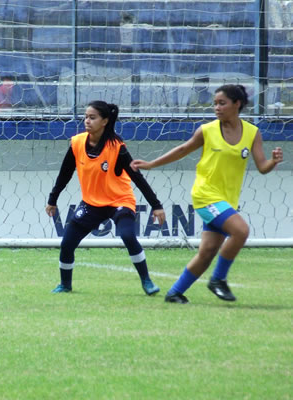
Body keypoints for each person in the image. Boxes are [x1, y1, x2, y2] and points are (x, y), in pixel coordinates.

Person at [131, 84, 284, 304]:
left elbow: (262, 166)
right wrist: (152, 164)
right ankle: (218, 280)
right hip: (205, 196)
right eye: (214, 103)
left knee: (208, 252)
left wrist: (273, 161)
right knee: (241, 231)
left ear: (237, 104)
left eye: (222, 103)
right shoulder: (207, 130)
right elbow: (183, 149)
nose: (217, 108)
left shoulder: (252, 132)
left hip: (226, 201)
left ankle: (174, 293)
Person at [46, 101, 166, 295]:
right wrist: (53, 199)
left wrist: (156, 206)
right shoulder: (77, 143)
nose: (87, 121)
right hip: (91, 204)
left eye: (92, 117)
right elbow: (65, 173)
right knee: (67, 243)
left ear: (105, 121)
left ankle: (147, 281)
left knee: (127, 235)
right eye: (86, 117)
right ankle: (65, 285)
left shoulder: (117, 147)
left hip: (119, 201)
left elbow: (137, 177)